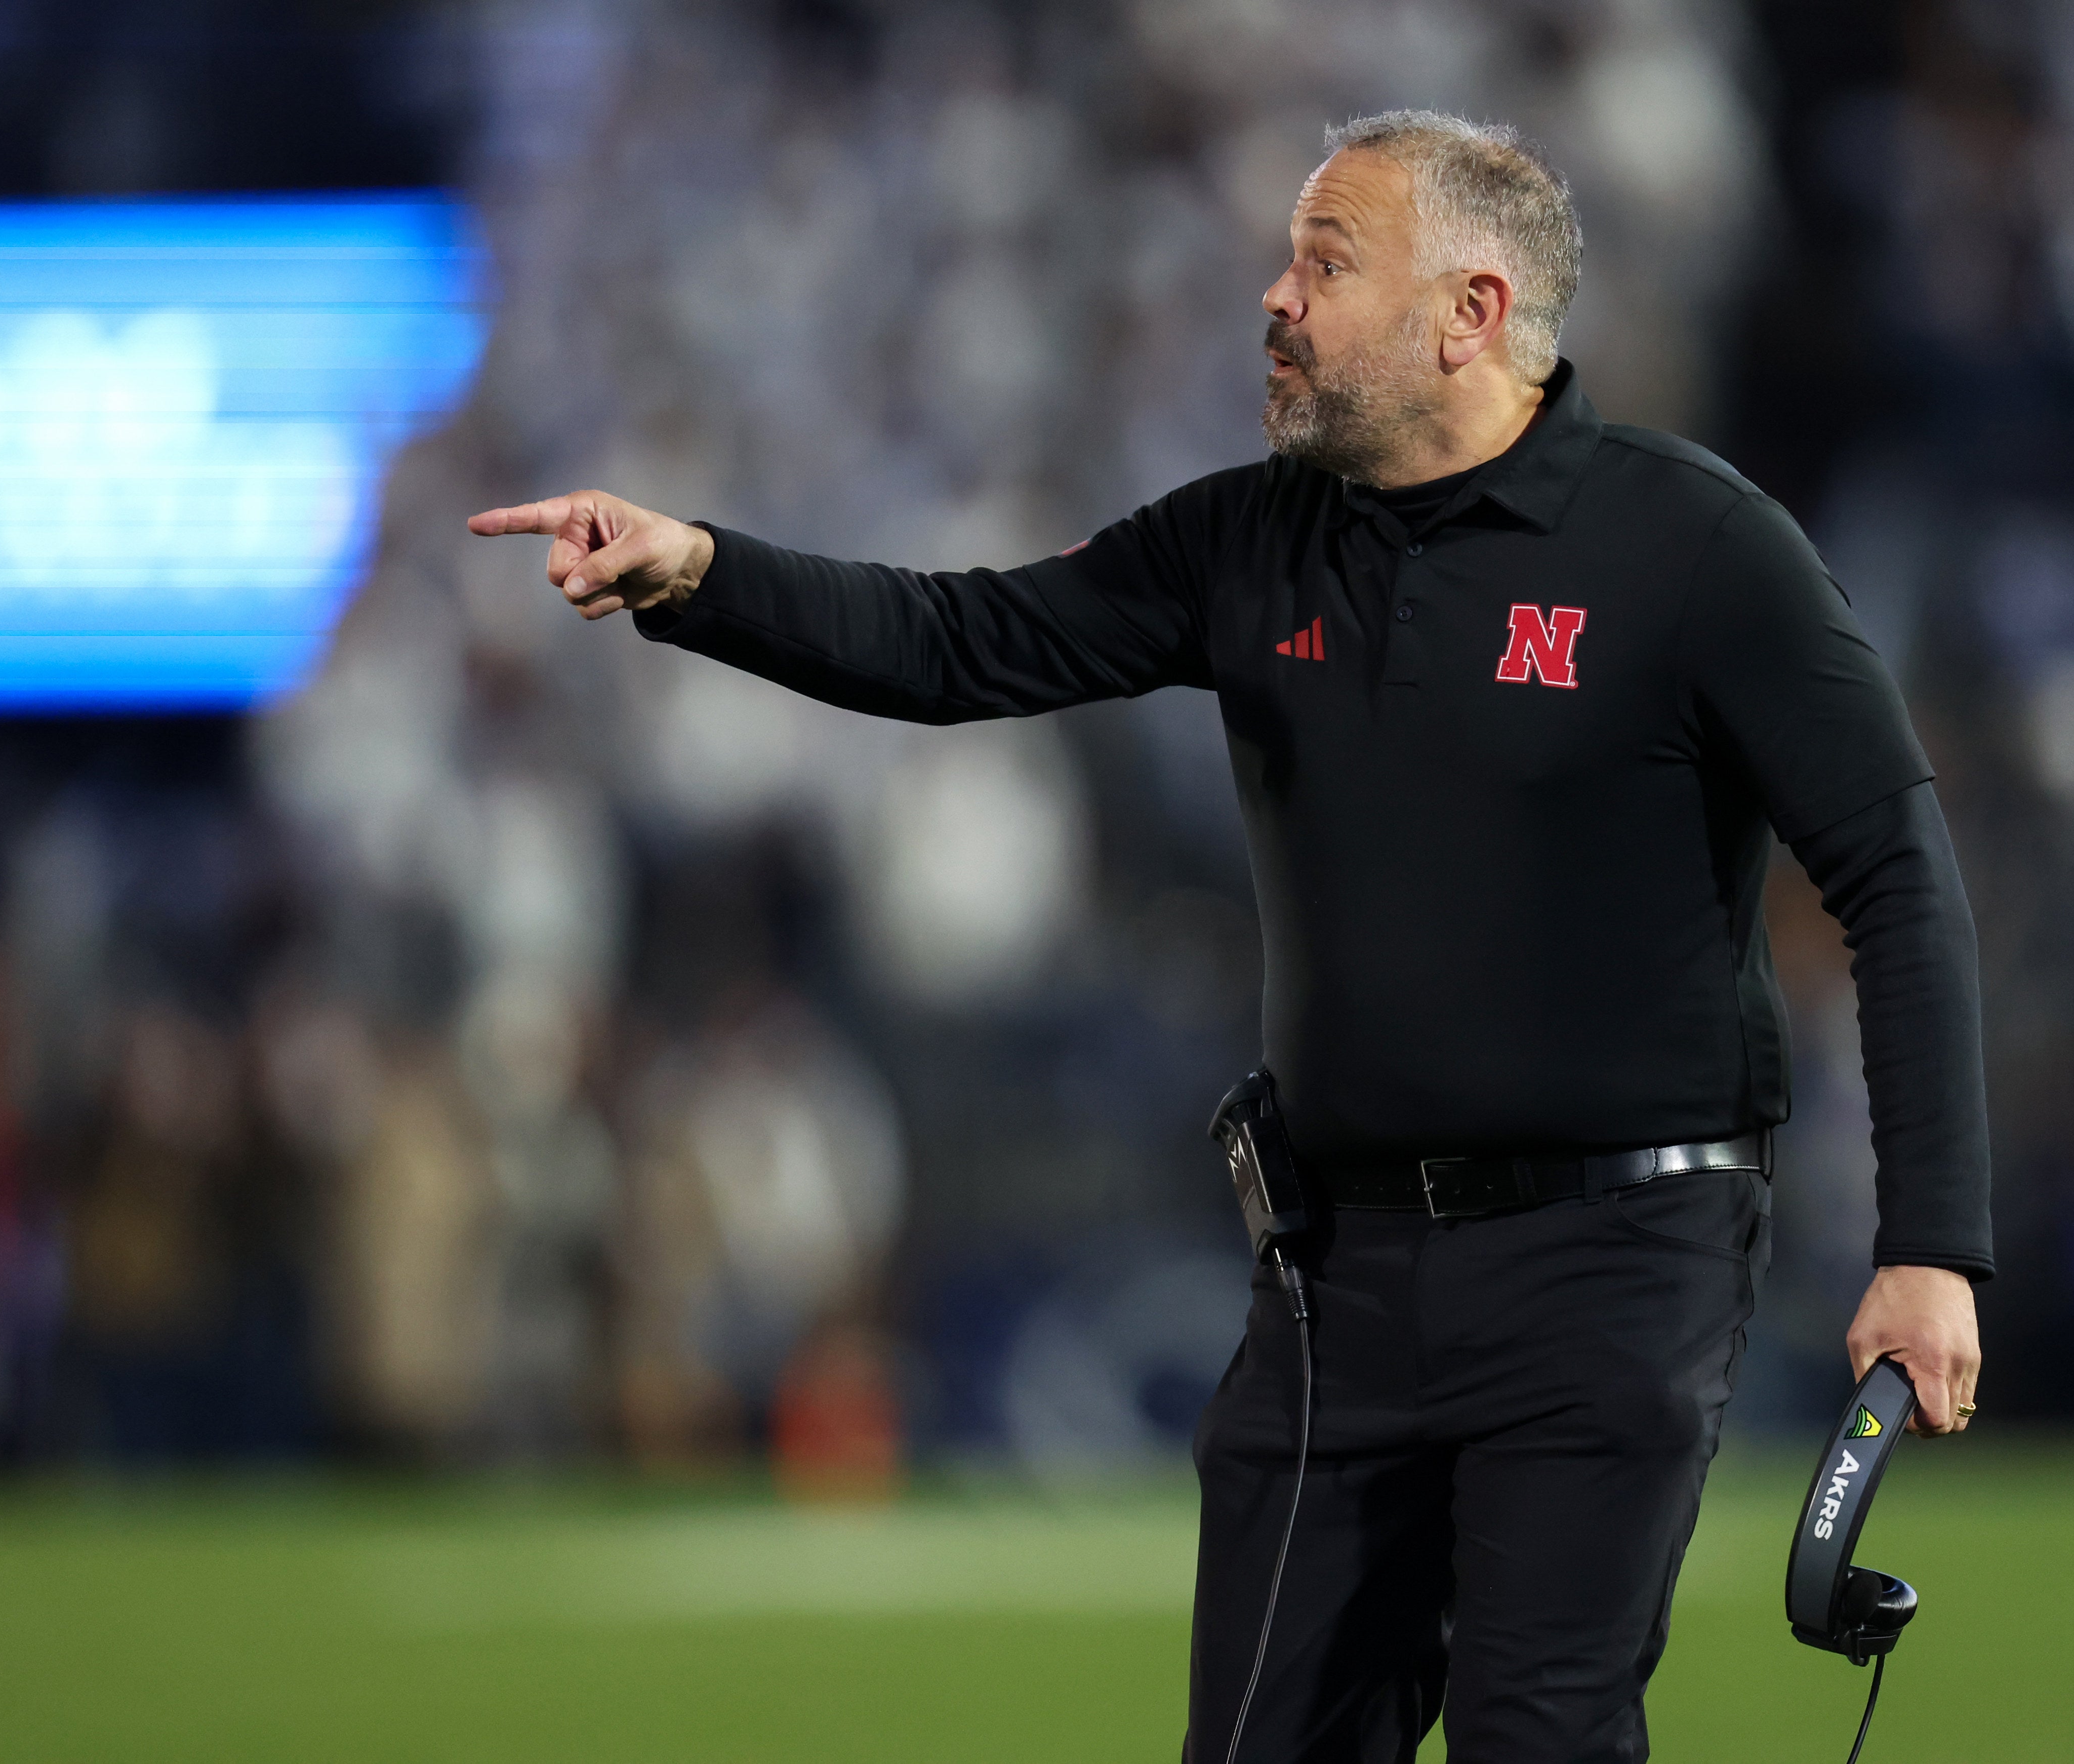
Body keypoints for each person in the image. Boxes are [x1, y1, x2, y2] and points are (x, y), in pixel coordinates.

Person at [472, 109, 1990, 1764]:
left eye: (1323, 264)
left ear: (1467, 313)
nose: (1272, 296)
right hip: (1334, 1278)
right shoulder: (1247, 538)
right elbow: (957, 639)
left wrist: (1929, 1245)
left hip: (1614, 1265)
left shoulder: (1694, 544)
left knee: (1539, 1737)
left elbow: (1895, 872)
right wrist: (697, 570)